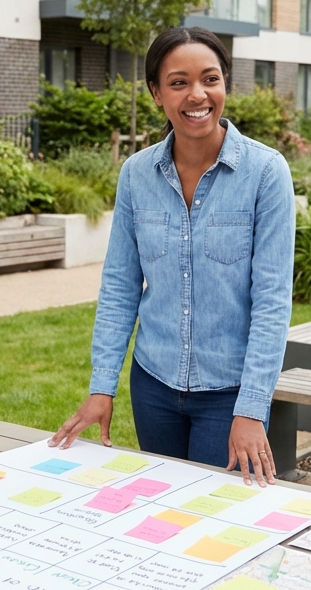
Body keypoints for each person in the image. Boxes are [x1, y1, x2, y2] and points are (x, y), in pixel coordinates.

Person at [50, 27, 295, 486]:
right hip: (154, 387)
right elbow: (120, 286)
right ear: (157, 93)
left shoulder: (266, 173)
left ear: (226, 85)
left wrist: (252, 407)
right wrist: (102, 385)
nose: (197, 94)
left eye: (210, 79)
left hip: (228, 394)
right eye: (179, 82)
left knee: (217, 521)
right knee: (163, 512)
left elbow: (273, 301)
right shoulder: (136, 174)